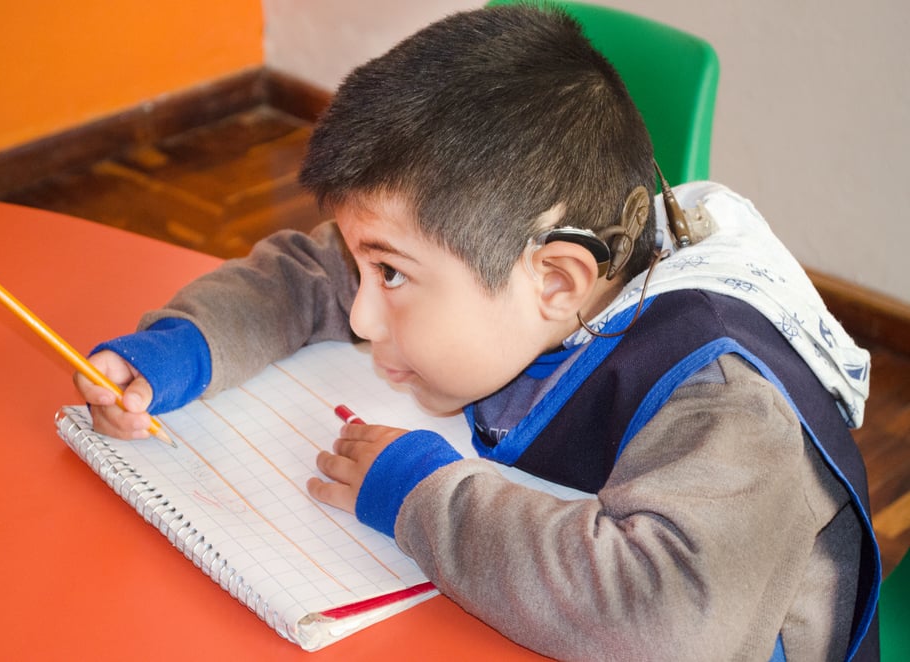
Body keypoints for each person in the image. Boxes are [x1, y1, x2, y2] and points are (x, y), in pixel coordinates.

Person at [74, 6, 880, 660]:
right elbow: (307, 271)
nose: (359, 310)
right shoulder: (532, 255)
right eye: (367, 269)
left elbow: (663, 622)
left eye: (389, 275)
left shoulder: (732, 405)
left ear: (556, 282)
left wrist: (421, 495)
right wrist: (179, 350)